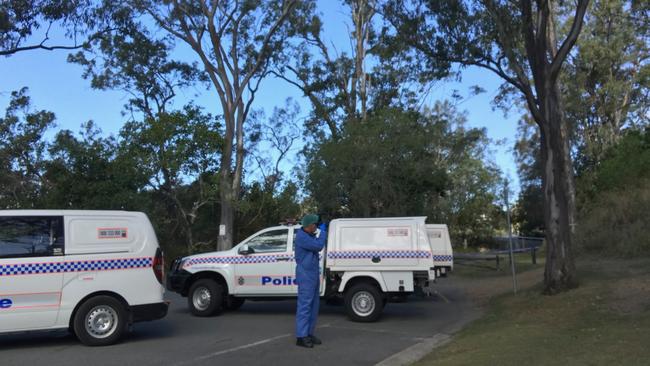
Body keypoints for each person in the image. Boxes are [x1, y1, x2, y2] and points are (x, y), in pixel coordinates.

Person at [294, 214, 327, 348]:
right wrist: (323, 232)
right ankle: (301, 336)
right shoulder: (302, 237)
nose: (317, 227)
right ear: (309, 226)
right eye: (316, 225)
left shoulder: (308, 235)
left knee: (313, 306)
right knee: (305, 306)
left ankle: (308, 333)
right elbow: (319, 246)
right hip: (306, 275)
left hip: (312, 274)